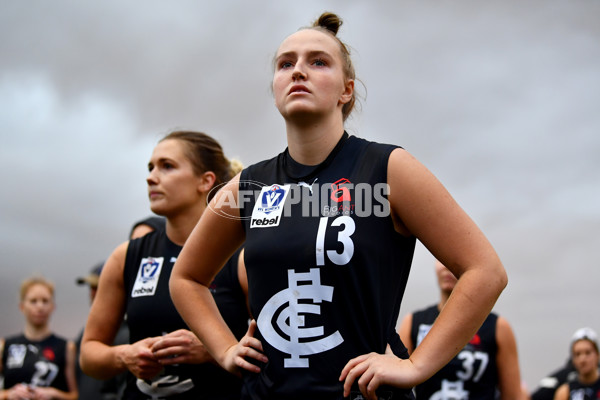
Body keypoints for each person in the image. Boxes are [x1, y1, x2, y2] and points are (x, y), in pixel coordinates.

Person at [169, 11, 507, 400]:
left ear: (346, 90)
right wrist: (225, 349)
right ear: (275, 85)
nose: (298, 71)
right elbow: (186, 278)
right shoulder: (249, 186)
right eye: (285, 64)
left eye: (318, 62)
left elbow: (485, 271)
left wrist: (417, 365)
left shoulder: (387, 168)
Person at [80, 130, 250, 399]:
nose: (150, 177)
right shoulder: (127, 256)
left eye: (167, 166)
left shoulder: (242, 257)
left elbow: (280, 357)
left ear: (205, 181)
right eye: (150, 167)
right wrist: (124, 356)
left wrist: (215, 349)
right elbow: (89, 354)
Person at [398, 260, 523, 400]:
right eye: (440, 258)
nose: (447, 265)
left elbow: (513, 395)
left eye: (455, 258)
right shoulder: (413, 322)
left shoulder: (498, 327)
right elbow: (398, 385)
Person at [1, 276, 78, 399]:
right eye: (33, 301)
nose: (40, 307)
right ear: (22, 306)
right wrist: (9, 395)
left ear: (53, 306)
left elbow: (74, 395)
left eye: (45, 301)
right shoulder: (6, 346)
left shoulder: (66, 347)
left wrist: (53, 393)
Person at [74, 263, 128, 400]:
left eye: (97, 287)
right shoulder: (85, 333)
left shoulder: (127, 332)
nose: (92, 293)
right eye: (91, 287)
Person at [553, 328, 600, 400]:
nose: (582, 360)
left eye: (588, 353)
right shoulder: (565, 392)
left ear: (597, 355)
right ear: (573, 360)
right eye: (577, 354)